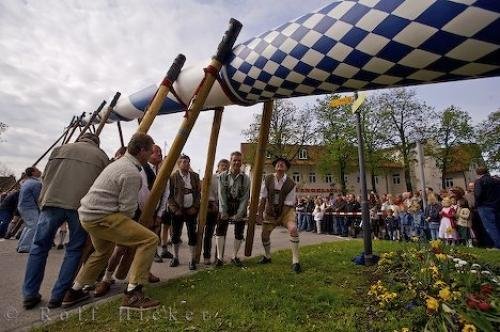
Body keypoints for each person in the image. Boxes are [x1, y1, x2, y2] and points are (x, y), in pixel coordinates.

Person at [62, 133, 160, 311]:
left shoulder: (119, 163)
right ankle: (133, 294)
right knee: (149, 239)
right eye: (150, 151)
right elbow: (127, 211)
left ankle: (74, 292)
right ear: (141, 150)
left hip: (88, 215)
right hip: (102, 216)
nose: (151, 155)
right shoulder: (131, 172)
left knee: (102, 252)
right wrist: (131, 233)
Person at [21, 133, 109, 310]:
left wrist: (43, 201)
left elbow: (46, 177)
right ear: (96, 142)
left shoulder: (59, 149)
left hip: (52, 203)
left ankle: (29, 294)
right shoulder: (101, 156)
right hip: (80, 206)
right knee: (74, 249)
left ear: (80, 139)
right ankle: (59, 295)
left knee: (39, 247)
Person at [257, 157, 301, 273]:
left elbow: (288, 204)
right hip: (271, 211)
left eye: (283, 164)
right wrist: (260, 214)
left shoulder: (291, 183)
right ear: (275, 167)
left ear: (286, 168)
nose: (280, 164)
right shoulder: (267, 179)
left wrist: (280, 219)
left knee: (293, 229)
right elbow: (263, 198)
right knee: (264, 235)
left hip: (286, 211)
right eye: (278, 163)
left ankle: (296, 262)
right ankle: (267, 256)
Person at [215, 152, 250, 267]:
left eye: (239, 160)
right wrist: (224, 211)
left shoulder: (246, 178)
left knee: (239, 232)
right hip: (226, 204)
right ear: (230, 161)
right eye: (234, 160)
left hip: (239, 205)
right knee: (220, 229)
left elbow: (245, 197)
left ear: (241, 162)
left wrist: (239, 214)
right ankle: (219, 258)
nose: (236, 162)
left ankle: (234, 256)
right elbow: (222, 195)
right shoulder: (223, 176)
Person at [168, 154, 201, 270]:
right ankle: (175, 257)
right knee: (175, 235)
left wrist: (195, 207)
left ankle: (192, 260)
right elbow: (169, 195)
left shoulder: (195, 176)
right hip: (178, 210)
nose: (186, 164)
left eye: (187, 162)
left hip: (191, 210)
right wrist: (175, 209)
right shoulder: (173, 177)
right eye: (183, 162)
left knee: (192, 234)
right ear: (179, 164)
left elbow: (198, 194)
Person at [202, 159, 229, 265]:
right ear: (218, 167)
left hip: (224, 210)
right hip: (212, 208)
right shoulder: (212, 178)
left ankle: (219, 257)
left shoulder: (229, 179)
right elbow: (207, 192)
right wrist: (213, 204)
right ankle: (206, 256)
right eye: (222, 165)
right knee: (208, 233)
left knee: (221, 234)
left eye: (226, 166)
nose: (224, 167)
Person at [16, 167, 42, 253]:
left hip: (23, 206)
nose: (40, 172)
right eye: (38, 171)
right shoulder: (36, 184)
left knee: (29, 226)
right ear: (33, 173)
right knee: (34, 226)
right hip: (30, 207)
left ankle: (21, 245)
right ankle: (25, 246)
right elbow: (38, 198)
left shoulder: (26, 182)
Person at [474, 166, 500, 248]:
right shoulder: (495, 180)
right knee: (497, 225)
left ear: (477, 173)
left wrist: (477, 204)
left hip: (484, 206)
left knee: (490, 227)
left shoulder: (479, 181)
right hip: (496, 205)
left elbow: (478, 195)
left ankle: (497, 245)